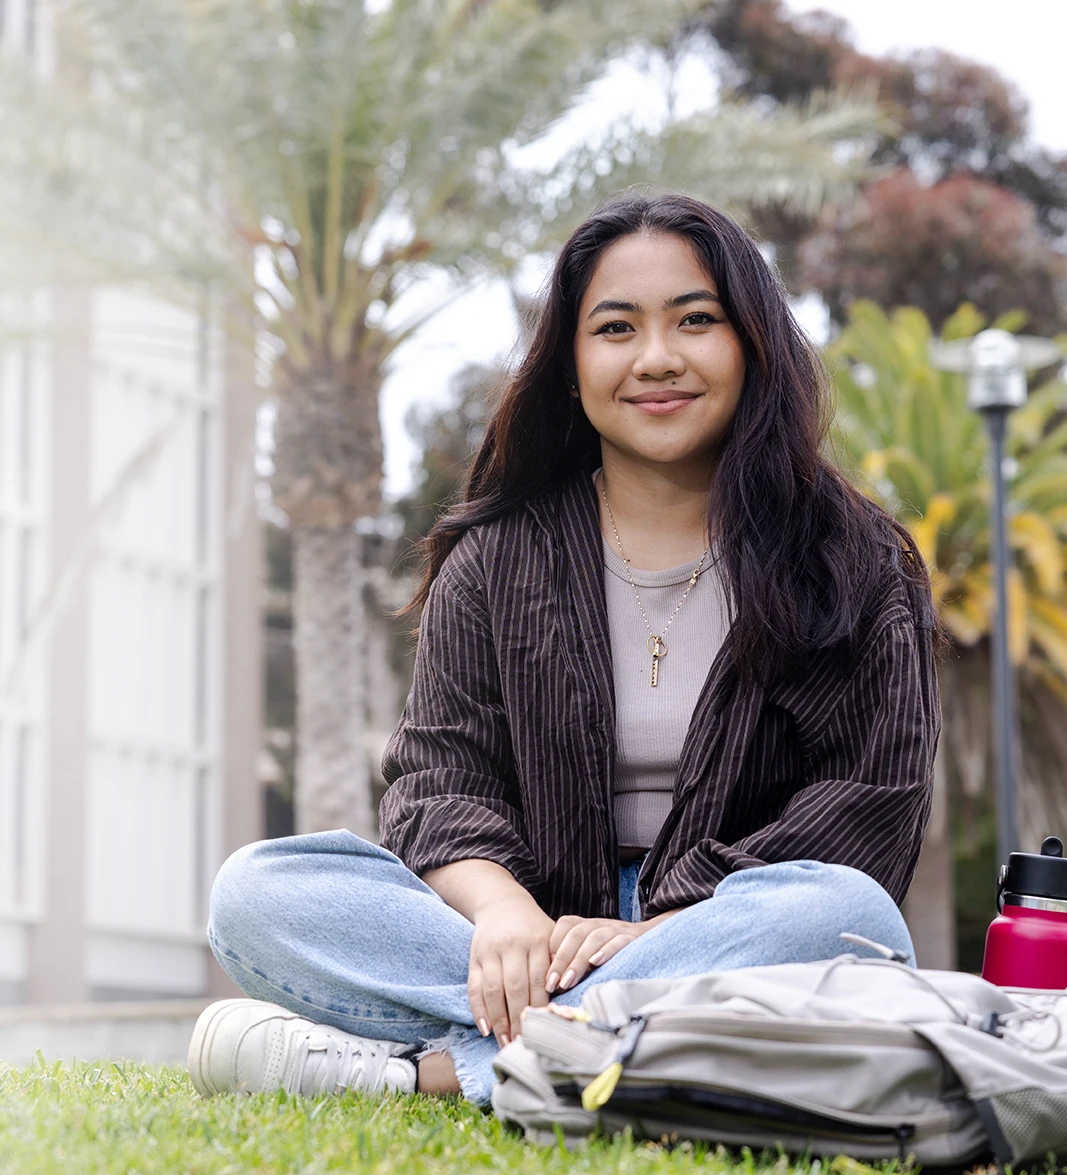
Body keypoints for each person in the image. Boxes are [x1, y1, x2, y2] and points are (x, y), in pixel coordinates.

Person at [188, 192, 940, 1106]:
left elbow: (871, 809)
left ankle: (426, 1076)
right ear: (572, 364)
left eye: (695, 321)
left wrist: (662, 927)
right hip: (532, 935)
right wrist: (506, 915)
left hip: (729, 927)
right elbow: (439, 784)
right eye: (616, 328)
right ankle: (630, 1038)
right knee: (259, 891)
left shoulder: (852, 561)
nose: (657, 358)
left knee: (848, 919)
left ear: (752, 344)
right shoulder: (497, 557)